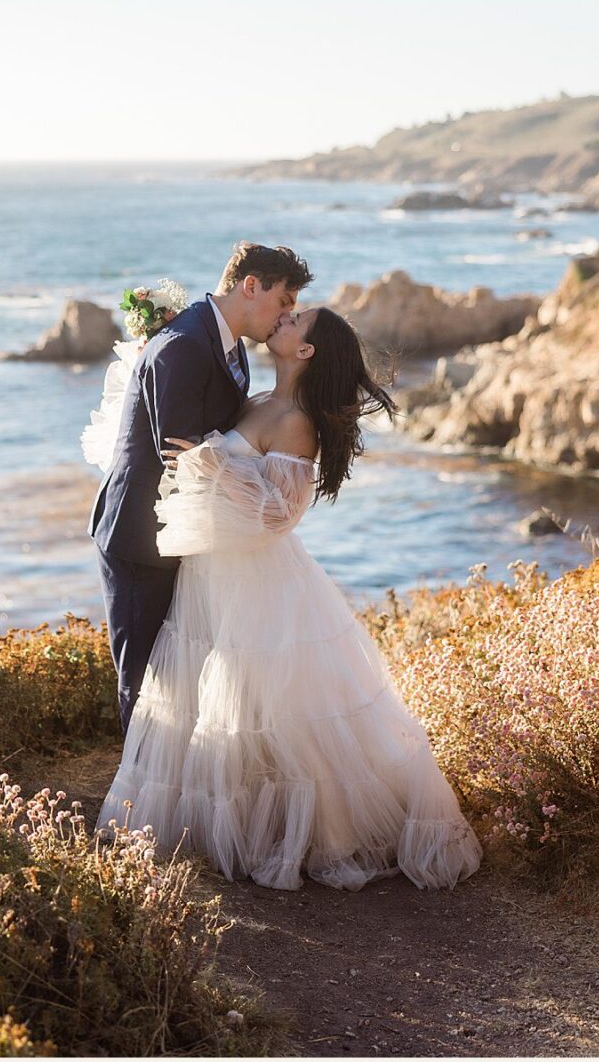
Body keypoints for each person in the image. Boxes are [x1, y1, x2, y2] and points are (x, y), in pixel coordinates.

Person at [89, 304, 484, 892]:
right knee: (226, 702)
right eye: (288, 309)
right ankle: (239, 816)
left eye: (297, 319)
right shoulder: (255, 400)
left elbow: (280, 514)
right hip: (212, 572)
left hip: (256, 578)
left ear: (306, 352)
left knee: (275, 708)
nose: (284, 317)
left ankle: (310, 828)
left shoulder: (296, 419)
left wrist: (213, 467)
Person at [88, 242, 312, 734]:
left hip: (180, 536)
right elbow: (180, 456)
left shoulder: (228, 344)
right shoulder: (186, 345)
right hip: (139, 536)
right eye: (283, 301)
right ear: (251, 286)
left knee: (177, 679)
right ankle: (136, 795)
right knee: (144, 679)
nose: (284, 316)